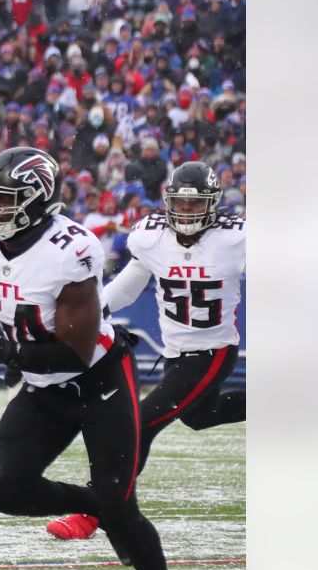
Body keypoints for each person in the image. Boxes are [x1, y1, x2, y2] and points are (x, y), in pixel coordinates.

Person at [0, 146, 187, 570]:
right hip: (43, 386)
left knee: (122, 504)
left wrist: (1, 353)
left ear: (35, 201)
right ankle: (101, 506)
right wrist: (10, 352)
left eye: (3, 200)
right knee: (6, 489)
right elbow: (14, 299)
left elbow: (75, 353)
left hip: (99, 381)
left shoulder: (71, 250)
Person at [47, 162, 246, 540]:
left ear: (213, 204)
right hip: (176, 352)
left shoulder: (236, 238)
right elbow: (127, 287)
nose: (185, 212)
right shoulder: (150, 236)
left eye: (194, 204)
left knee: (139, 424)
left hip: (214, 351)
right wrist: (87, 317)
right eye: (180, 203)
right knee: (202, 416)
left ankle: (95, 510)